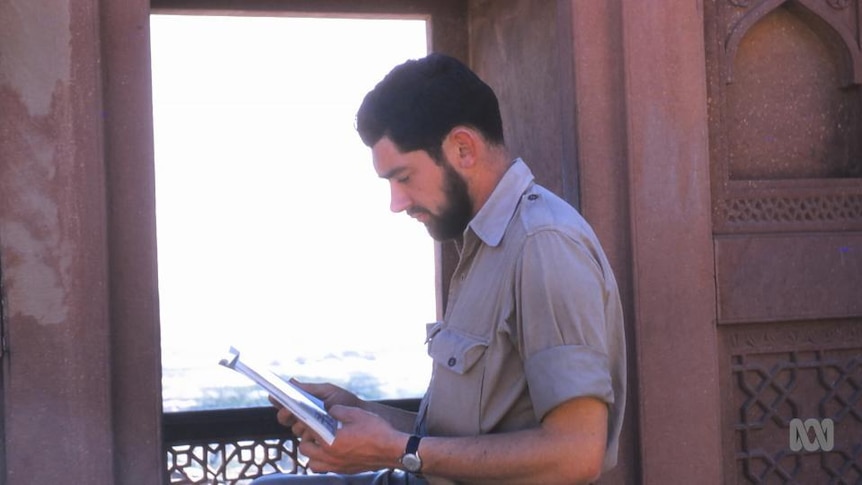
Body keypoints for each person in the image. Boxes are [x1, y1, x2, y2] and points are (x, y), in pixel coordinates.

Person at [253, 53, 626, 485]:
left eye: (404, 177)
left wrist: (397, 450)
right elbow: (458, 438)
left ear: (463, 149)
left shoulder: (544, 245)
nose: (397, 203)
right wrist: (358, 412)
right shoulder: (484, 244)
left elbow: (576, 455)